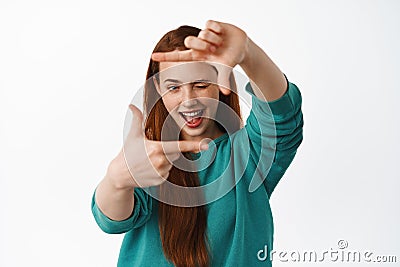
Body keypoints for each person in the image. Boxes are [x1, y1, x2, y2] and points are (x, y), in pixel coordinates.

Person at [91, 19, 304, 267]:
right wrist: (118, 179)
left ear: (220, 82)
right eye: (174, 88)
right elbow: (112, 220)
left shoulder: (249, 156)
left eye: (201, 85)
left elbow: (281, 114)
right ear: (157, 87)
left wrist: (249, 54)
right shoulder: (151, 158)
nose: (188, 100)